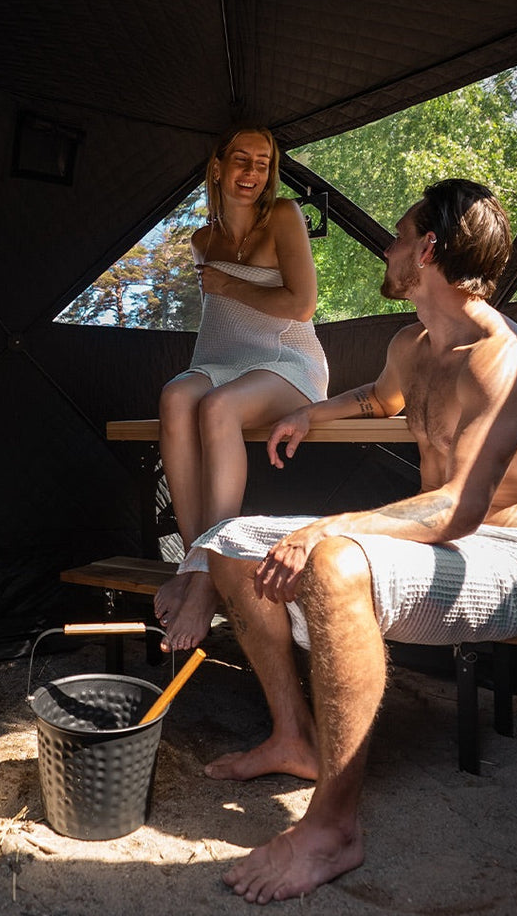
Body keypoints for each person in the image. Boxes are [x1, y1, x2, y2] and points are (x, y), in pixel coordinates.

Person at [192, 178, 517, 904]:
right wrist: (312, 414)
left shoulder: (502, 354)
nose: (386, 251)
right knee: (230, 538)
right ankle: (292, 737)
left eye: (397, 237)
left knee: (331, 558)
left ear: (426, 249)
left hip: (506, 558)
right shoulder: (413, 344)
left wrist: (326, 528)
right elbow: (381, 398)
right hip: (440, 548)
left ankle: (333, 828)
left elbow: (459, 509)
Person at [154, 126, 329, 653]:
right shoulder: (202, 240)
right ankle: (193, 560)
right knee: (175, 397)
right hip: (224, 361)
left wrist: (228, 283)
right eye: (241, 160)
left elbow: (301, 305)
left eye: (262, 162)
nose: (251, 173)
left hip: (288, 363)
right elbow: (223, 328)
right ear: (218, 166)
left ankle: (212, 572)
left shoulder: (283, 216)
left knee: (219, 408)